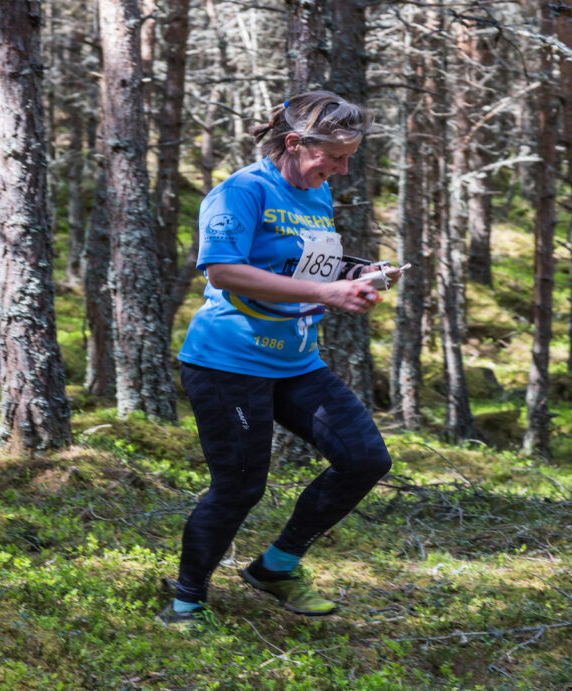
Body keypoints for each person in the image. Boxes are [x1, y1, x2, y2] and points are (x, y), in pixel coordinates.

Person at [159, 91, 401, 629]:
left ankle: (277, 566)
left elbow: (309, 266)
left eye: (349, 157)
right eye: (334, 156)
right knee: (241, 485)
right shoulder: (240, 192)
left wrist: (354, 278)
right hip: (228, 362)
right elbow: (222, 270)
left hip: (296, 361)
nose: (341, 169)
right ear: (295, 143)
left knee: (365, 459)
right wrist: (330, 291)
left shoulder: (317, 193)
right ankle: (185, 601)